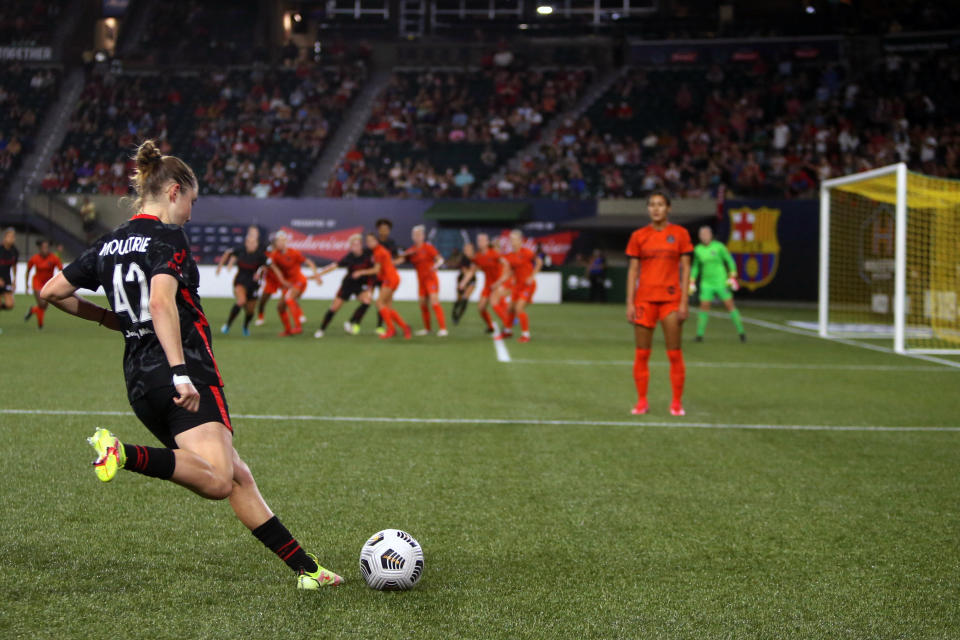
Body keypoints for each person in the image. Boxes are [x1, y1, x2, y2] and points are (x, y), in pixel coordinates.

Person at [38, 139, 342, 590]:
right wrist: (181, 370)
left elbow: (51, 292)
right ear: (175, 191)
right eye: (192, 202)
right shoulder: (167, 236)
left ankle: (308, 570)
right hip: (184, 372)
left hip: (139, 382)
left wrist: (112, 320)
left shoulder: (109, 242)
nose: (191, 214)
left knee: (236, 474)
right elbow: (161, 302)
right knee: (220, 479)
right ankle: (122, 454)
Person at [625, 191, 693, 417]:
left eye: (660, 205)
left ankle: (676, 402)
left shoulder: (680, 234)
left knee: (674, 353)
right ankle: (642, 401)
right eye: (652, 205)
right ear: (648, 209)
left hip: (671, 300)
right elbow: (633, 270)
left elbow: (685, 269)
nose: (656, 209)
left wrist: (684, 301)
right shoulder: (639, 236)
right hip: (644, 299)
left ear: (668, 208)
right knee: (642, 353)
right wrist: (630, 302)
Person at [690, 225, 746, 342]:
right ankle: (699, 335)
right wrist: (692, 279)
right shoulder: (698, 250)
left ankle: (741, 333)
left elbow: (729, 260)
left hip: (721, 281)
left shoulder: (719, 247)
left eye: (706, 234)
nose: (704, 236)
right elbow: (695, 266)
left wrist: (732, 273)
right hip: (706, 283)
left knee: (729, 305)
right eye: (702, 235)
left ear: (711, 235)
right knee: (704, 307)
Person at [312, 233, 375, 338]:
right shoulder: (349, 258)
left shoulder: (368, 254)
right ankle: (321, 329)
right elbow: (334, 266)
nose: (356, 247)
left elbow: (374, 269)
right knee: (334, 308)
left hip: (359, 285)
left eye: (358, 244)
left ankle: (350, 322)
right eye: (353, 245)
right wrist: (319, 274)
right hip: (348, 284)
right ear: (350, 247)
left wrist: (364, 278)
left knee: (367, 301)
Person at [353, 232, 411, 340]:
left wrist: (361, 272)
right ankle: (405, 327)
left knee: (379, 303)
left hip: (390, 279)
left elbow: (376, 270)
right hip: (392, 278)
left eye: (371, 241)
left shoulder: (379, 252)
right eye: (368, 241)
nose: (369, 243)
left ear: (376, 241)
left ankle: (391, 329)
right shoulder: (378, 251)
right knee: (387, 307)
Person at [216, 225, 266, 337]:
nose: (252, 245)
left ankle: (245, 326)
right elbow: (228, 253)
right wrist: (220, 266)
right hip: (240, 281)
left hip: (253, 284)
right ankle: (228, 325)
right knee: (241, 301)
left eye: (254, 243)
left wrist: (260, 274)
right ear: (246, 243)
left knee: (250, 311)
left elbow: (265, 267)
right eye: (250, 242)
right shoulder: (240, 250)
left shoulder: (260, 255)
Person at [268, 231, 320, 337]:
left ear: (286, 241)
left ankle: (298, 327)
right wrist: (282, 281)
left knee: (289, 298)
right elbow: (273, 267)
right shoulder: (274, 255)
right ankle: (287, 330)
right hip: (288, 284)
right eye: (278, 241)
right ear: (275, 243)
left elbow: (310, 262)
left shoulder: (294, 253)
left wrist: (317, 275)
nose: (280, 243)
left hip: (299, 281)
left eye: (283, 240)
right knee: (280, 307)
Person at [398, 225, 447, 337]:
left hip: (431, 279)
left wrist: (436, 265)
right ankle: (427, 328)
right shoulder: (411, 250)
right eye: (415, 235)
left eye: (419, 234)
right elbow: (401, 259)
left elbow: (440, 259)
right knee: (423, 304)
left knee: (434, 301)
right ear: (412, 236)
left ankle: (443, 329)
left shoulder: (428, 247)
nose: (417, 237)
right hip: (421, 282)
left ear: (423, 236)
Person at [496, 230, 542, 343]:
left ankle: (526, 335)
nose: (513, 241)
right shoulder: (511, 256)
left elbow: (539, 262)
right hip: (517, 286)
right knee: (510, 309)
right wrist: (499, 282)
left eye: (515, 239)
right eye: (511, 239)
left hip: (528, 286)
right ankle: (507, 332)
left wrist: (532, 276)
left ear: (521, 241)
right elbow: (510, 272)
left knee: (519, 308)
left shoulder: (527, 252)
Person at [469, 232, 509, 333]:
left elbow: (506, 264)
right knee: (481, 307)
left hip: (498, 284)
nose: (480, 242)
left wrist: (501, 280)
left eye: (483, 240)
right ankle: (490, 326)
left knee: (494, 303)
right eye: (479, 240)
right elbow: (472, 270)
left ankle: (507, 325)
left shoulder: (494, 253)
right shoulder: (478, 256)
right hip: (488, 285)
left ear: (487, 242)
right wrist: (463, 283)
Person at [24, 239, 63, 329]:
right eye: (43, 247)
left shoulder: (54, 258)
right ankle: (40, 325)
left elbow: (61, 270)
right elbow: (28, 270)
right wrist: (26, 284)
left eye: (47, 247)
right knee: (42, 304)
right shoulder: (35, 258)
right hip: (37, 283)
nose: (45, 249)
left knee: (44, 306)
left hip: (49, 284)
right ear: (40, 248)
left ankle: (33, 310)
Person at [372, 218, 399, 336]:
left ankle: (383, 326)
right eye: (382, 229)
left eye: (386, 229)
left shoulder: (391, 243)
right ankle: (390, 327)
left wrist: (391, 264)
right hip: (376, 275)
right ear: (378, 230)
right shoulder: (374, 243)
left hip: (387, 276)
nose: (384, 231)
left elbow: (397, 258)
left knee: (384, 302)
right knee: (375, 301)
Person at [451, 242, 476, 325]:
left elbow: (471, 272)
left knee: (465, 298)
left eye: (469, 249)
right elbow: (465, 271)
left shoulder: (475, 259)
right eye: (466, 249)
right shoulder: (463, 259)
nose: (467, 251)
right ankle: (454, 312)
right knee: (459, 298)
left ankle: (458, 317)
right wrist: (462, 283)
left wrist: (465, 282)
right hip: (462, 278)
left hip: (471, 280)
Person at [0, 228, 18, 315]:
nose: (12, 239)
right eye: (10, 236)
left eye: (13, 237)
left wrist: (14, 280)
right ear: (5, 237)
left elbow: (14, 266)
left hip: (7, 279)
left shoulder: (14, 251)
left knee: (10, 304)